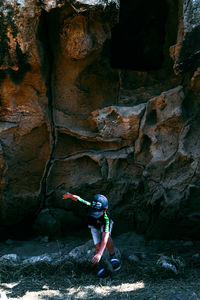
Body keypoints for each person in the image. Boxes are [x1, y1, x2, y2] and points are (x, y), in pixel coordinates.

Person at [62, 192, 121, 277]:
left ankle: (113, 256)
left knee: (107, 239)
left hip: (104, 226)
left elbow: (105, 236)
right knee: (97, 246)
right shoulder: (89, 206)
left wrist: (100, 253)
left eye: (97, 213)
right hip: (94, 226)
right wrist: (70, 196)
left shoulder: (106, 217)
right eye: (94, 212)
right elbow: (78, 199)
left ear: (104, 210)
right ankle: (98, 265)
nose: (95, 216)